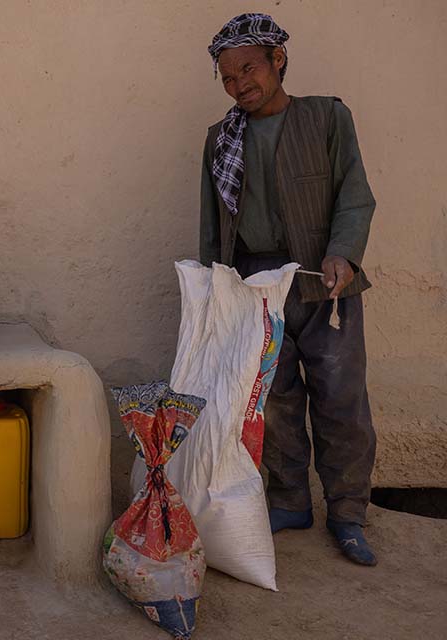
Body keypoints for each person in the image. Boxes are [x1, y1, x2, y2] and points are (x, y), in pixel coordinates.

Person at [200, 13, 378, 566]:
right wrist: (216, 288)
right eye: (227, 78)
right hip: (256, 286)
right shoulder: (221, 140)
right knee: (272, 402)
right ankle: (290, 500)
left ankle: (347, 513)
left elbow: (354, 192)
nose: (239, 85)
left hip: (325, 283)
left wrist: (343, 253)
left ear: (278, 60)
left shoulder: (326, 117)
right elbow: (213, 223)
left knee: (341, 400)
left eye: (248, 69)